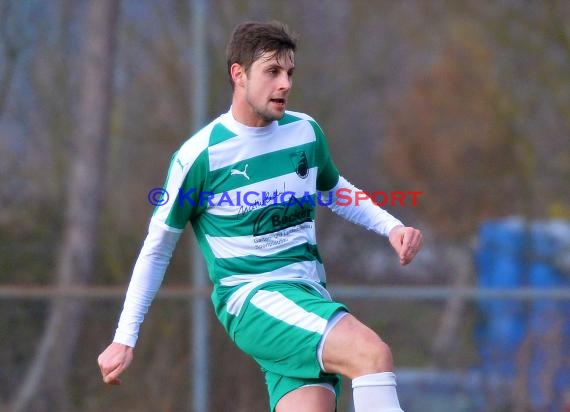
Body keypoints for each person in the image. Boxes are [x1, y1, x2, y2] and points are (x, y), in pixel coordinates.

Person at [97, 20, 422, 412]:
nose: (284, 83)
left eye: (289, 73)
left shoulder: (305, 132)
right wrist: (124, 336)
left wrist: (391, 226)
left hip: (308, 295)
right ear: (238, 74)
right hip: (253, 299)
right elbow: (157, 249)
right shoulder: (200, 156)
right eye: (272, 72)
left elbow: (333, 190)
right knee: (371, 355)